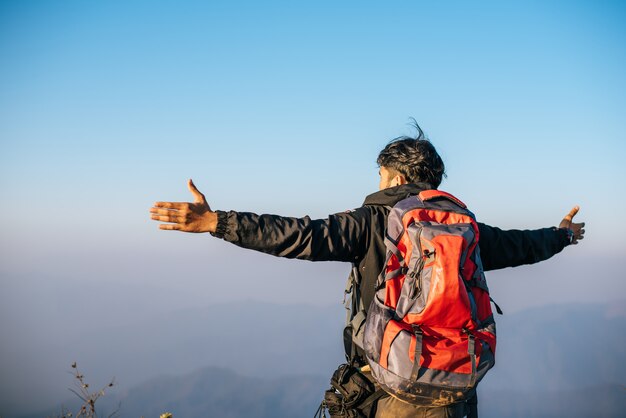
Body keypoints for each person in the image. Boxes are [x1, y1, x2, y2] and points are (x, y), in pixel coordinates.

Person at [149, 125, 585, 417]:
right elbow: (524, 244)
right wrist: (562, 234)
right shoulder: (463, 227)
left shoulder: (374, 220)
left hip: (394, 391)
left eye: (380, 173)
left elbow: (302, 235)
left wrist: (216, 222)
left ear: (395, 178)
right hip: (457, 389)